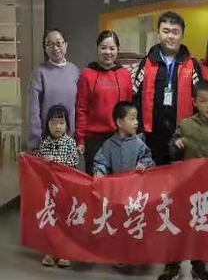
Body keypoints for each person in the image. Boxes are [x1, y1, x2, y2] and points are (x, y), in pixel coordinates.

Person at [155, 81, 208, 280]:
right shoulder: (186, 125)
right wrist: (177, 145)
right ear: (194, 102)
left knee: (203, 227)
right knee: (177, 227)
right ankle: (172, 267)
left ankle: (199, 265)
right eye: (204, 101)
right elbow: (170, 150)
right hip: (184, 187)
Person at [132, 11, 202, 166]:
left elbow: (200, 101)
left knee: (181, 176)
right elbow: (135, 97)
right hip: (151, 135)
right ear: (158, 33)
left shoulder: (192, 64)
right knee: (152, 175)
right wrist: (138, 129)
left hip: (182, 136)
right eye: (166, 31)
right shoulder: (147, 62)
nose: (170, 36)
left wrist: (194, 132)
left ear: (182, 35)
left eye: (175, 32)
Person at [75, 30, 133, 174]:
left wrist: (130, 135)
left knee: (117, 180)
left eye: (112, 48)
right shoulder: (87, 75)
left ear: (118, 50)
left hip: (118, 137)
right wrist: (80, 139)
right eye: (103, 48)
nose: (108, 52)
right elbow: (81, 108)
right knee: (96, 180)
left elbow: (129, 109)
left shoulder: (125, 75)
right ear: (97, 49)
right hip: (93, 140)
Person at [37, 104, 80, 268]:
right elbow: (37, 164)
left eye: (61, 123)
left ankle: (64, 252)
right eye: (53, 123)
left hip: (65, 190)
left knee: (64, 221)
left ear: (67, 125)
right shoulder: (44, 143)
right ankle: (50, 250)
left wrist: (56, 162)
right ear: (47, 125)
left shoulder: (70, 143)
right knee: (50, 220)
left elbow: (73, 162)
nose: (57, 127)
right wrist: (27, 158)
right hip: (49, 191)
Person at [27, 29, 80, 152]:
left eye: (58, 43)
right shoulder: (39, 73)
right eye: (50, 44)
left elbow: (79, 106)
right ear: (45, 48)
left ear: (66, 44)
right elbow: (33, 109)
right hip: (46, 142)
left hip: (69, 141)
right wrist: (35, 143)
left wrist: (79, 138)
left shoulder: (74, 71)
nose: (55, 48)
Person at [92, 102, 155, 177]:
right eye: (132, 119)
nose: (136, 122)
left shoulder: (139, 143)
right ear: (119, 123)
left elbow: (148, 159)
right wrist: (99, 172)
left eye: (136, 118)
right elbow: (100, 162)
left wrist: (143, 165)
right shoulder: (108, 144)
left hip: (135, 182)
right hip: (116, 183)